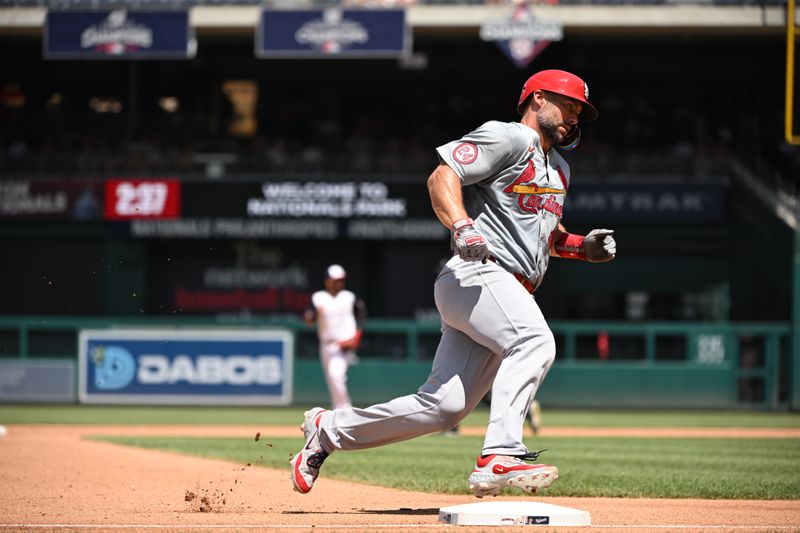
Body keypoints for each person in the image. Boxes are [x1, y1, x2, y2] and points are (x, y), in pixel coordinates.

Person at [290, 69, 616, 497]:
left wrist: (578, 246)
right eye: (569, 105)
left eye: (580, 111)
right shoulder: (508, 137)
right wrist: (462, 225)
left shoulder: (560, 168)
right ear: (537, 99)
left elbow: (543, 236)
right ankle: (500, 454)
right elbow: (442, 177)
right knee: (535, 342)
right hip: (478, 273)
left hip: (505, 288)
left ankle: (327, 430)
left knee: (442, 409)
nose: (575, 117)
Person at [304, 264, 367, 410]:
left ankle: (346, 411)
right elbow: (309, 317)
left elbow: (362, 316)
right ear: (327, 280)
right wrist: (312, 315)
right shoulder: (319, 297)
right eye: (334, 280)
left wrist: (356, 337)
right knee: (331, 379)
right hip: (326, 344)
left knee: (335, 375)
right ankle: (338, 410)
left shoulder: (349, 297)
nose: (338, 283)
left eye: (340, 280)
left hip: (344, 343)